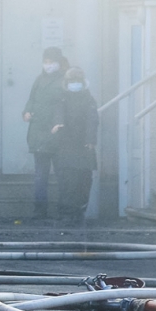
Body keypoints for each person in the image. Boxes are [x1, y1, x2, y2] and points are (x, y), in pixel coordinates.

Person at [22, 46, 69, 218]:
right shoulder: (39, 80)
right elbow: (31, 100)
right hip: (39, 134)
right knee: (41, 175)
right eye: (46, 62)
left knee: (61, 174)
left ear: (58, 62)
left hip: (57, 134)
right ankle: (40, 210)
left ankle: (64, 209)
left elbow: (65, 106)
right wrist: (26, 112)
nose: (48, 65)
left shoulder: (65, 80)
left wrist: (60, 123)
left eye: (51, 62)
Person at [50, 67, 98, 224]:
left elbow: (93, 120)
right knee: (67, 180)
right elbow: (58, 114)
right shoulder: (62, 98)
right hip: (66, 145)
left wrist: (90, 140)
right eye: (72, 81)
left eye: (77, 81)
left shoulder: (88, 99)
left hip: (84, 146)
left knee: (84, 179)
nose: (74, 84)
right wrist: (58, 125)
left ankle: (79, 210)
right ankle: (66, 211)